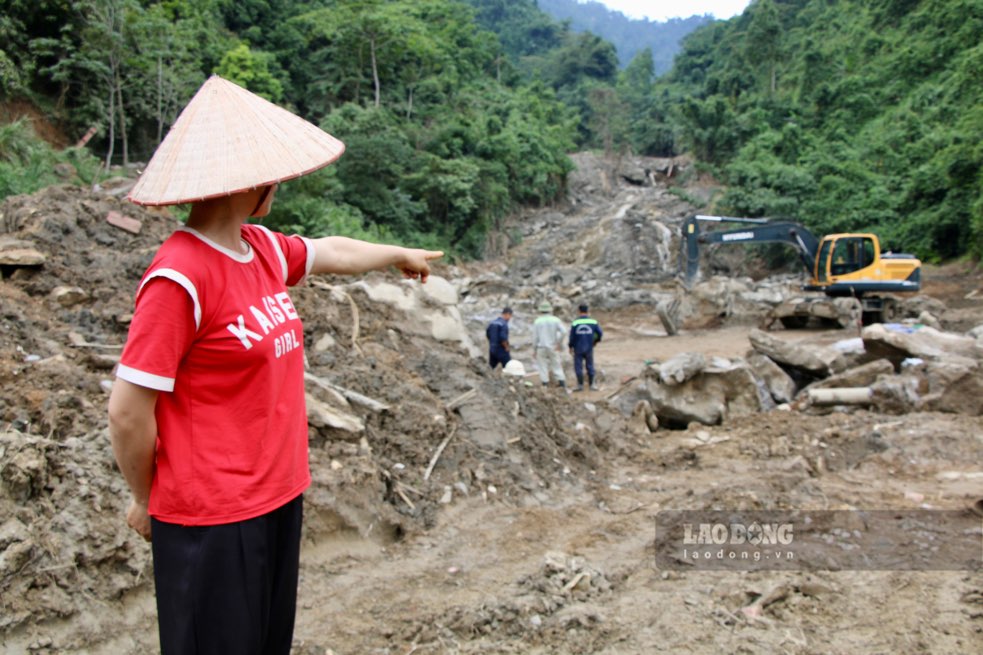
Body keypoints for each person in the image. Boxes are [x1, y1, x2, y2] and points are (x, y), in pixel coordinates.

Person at [106, 75, 442, 655]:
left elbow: (328, 250)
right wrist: (145, 497)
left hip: (277, 496)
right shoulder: (179, 276)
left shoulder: (256, 248)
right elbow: (129, 412)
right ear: (254, 183)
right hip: (211, 516)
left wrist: (394, 255)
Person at [532, 300, 566, 388]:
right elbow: (564, 332)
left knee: (542, 366)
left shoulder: (537, 321)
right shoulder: (555, 320)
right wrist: (558, 342)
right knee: (557, 365)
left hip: (541, 347)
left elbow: (535, 337)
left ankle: (545, 385)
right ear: (550, 310)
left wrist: (534, 349)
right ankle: (562, 384)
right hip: (553, 346)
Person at [569, 303, 603, 391]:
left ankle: (580, 385)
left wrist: (570, 346)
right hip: (589, 347)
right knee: (590, 365)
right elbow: (600, 333)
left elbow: (572, 336)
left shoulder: (575, 322)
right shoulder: (593, 322)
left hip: (578, 348)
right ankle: (592, 385)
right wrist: (595, 341)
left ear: (579, 311)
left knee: (578, 366)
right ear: (587, 311)